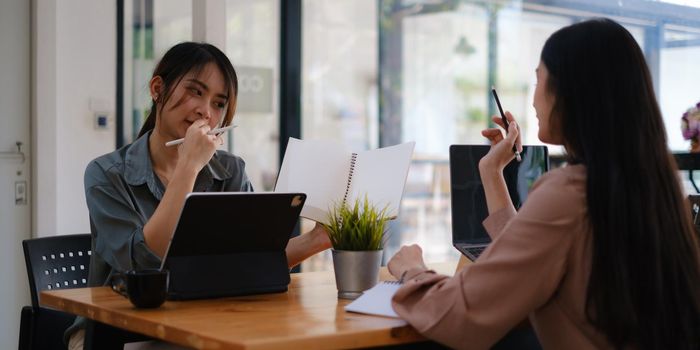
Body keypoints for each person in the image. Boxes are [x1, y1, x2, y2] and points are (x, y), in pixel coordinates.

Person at [387, 18, 700, 349]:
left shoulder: (569, 192)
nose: (534, 99)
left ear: (572, 93)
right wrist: (493, 172)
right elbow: (532, 256)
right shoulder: (654, 189)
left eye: (539, 80)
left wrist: (414, 273)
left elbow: (460, 314)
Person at [66, 42, 331, 349]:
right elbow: (146, 266)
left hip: (205, 323)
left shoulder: (230, 170)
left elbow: (252, 260)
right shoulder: (106, 174)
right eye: (195, 91)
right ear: (157, 89)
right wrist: (188, 166)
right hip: (116, 331)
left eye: (219, 103)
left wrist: (317, 239)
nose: (206, 111)